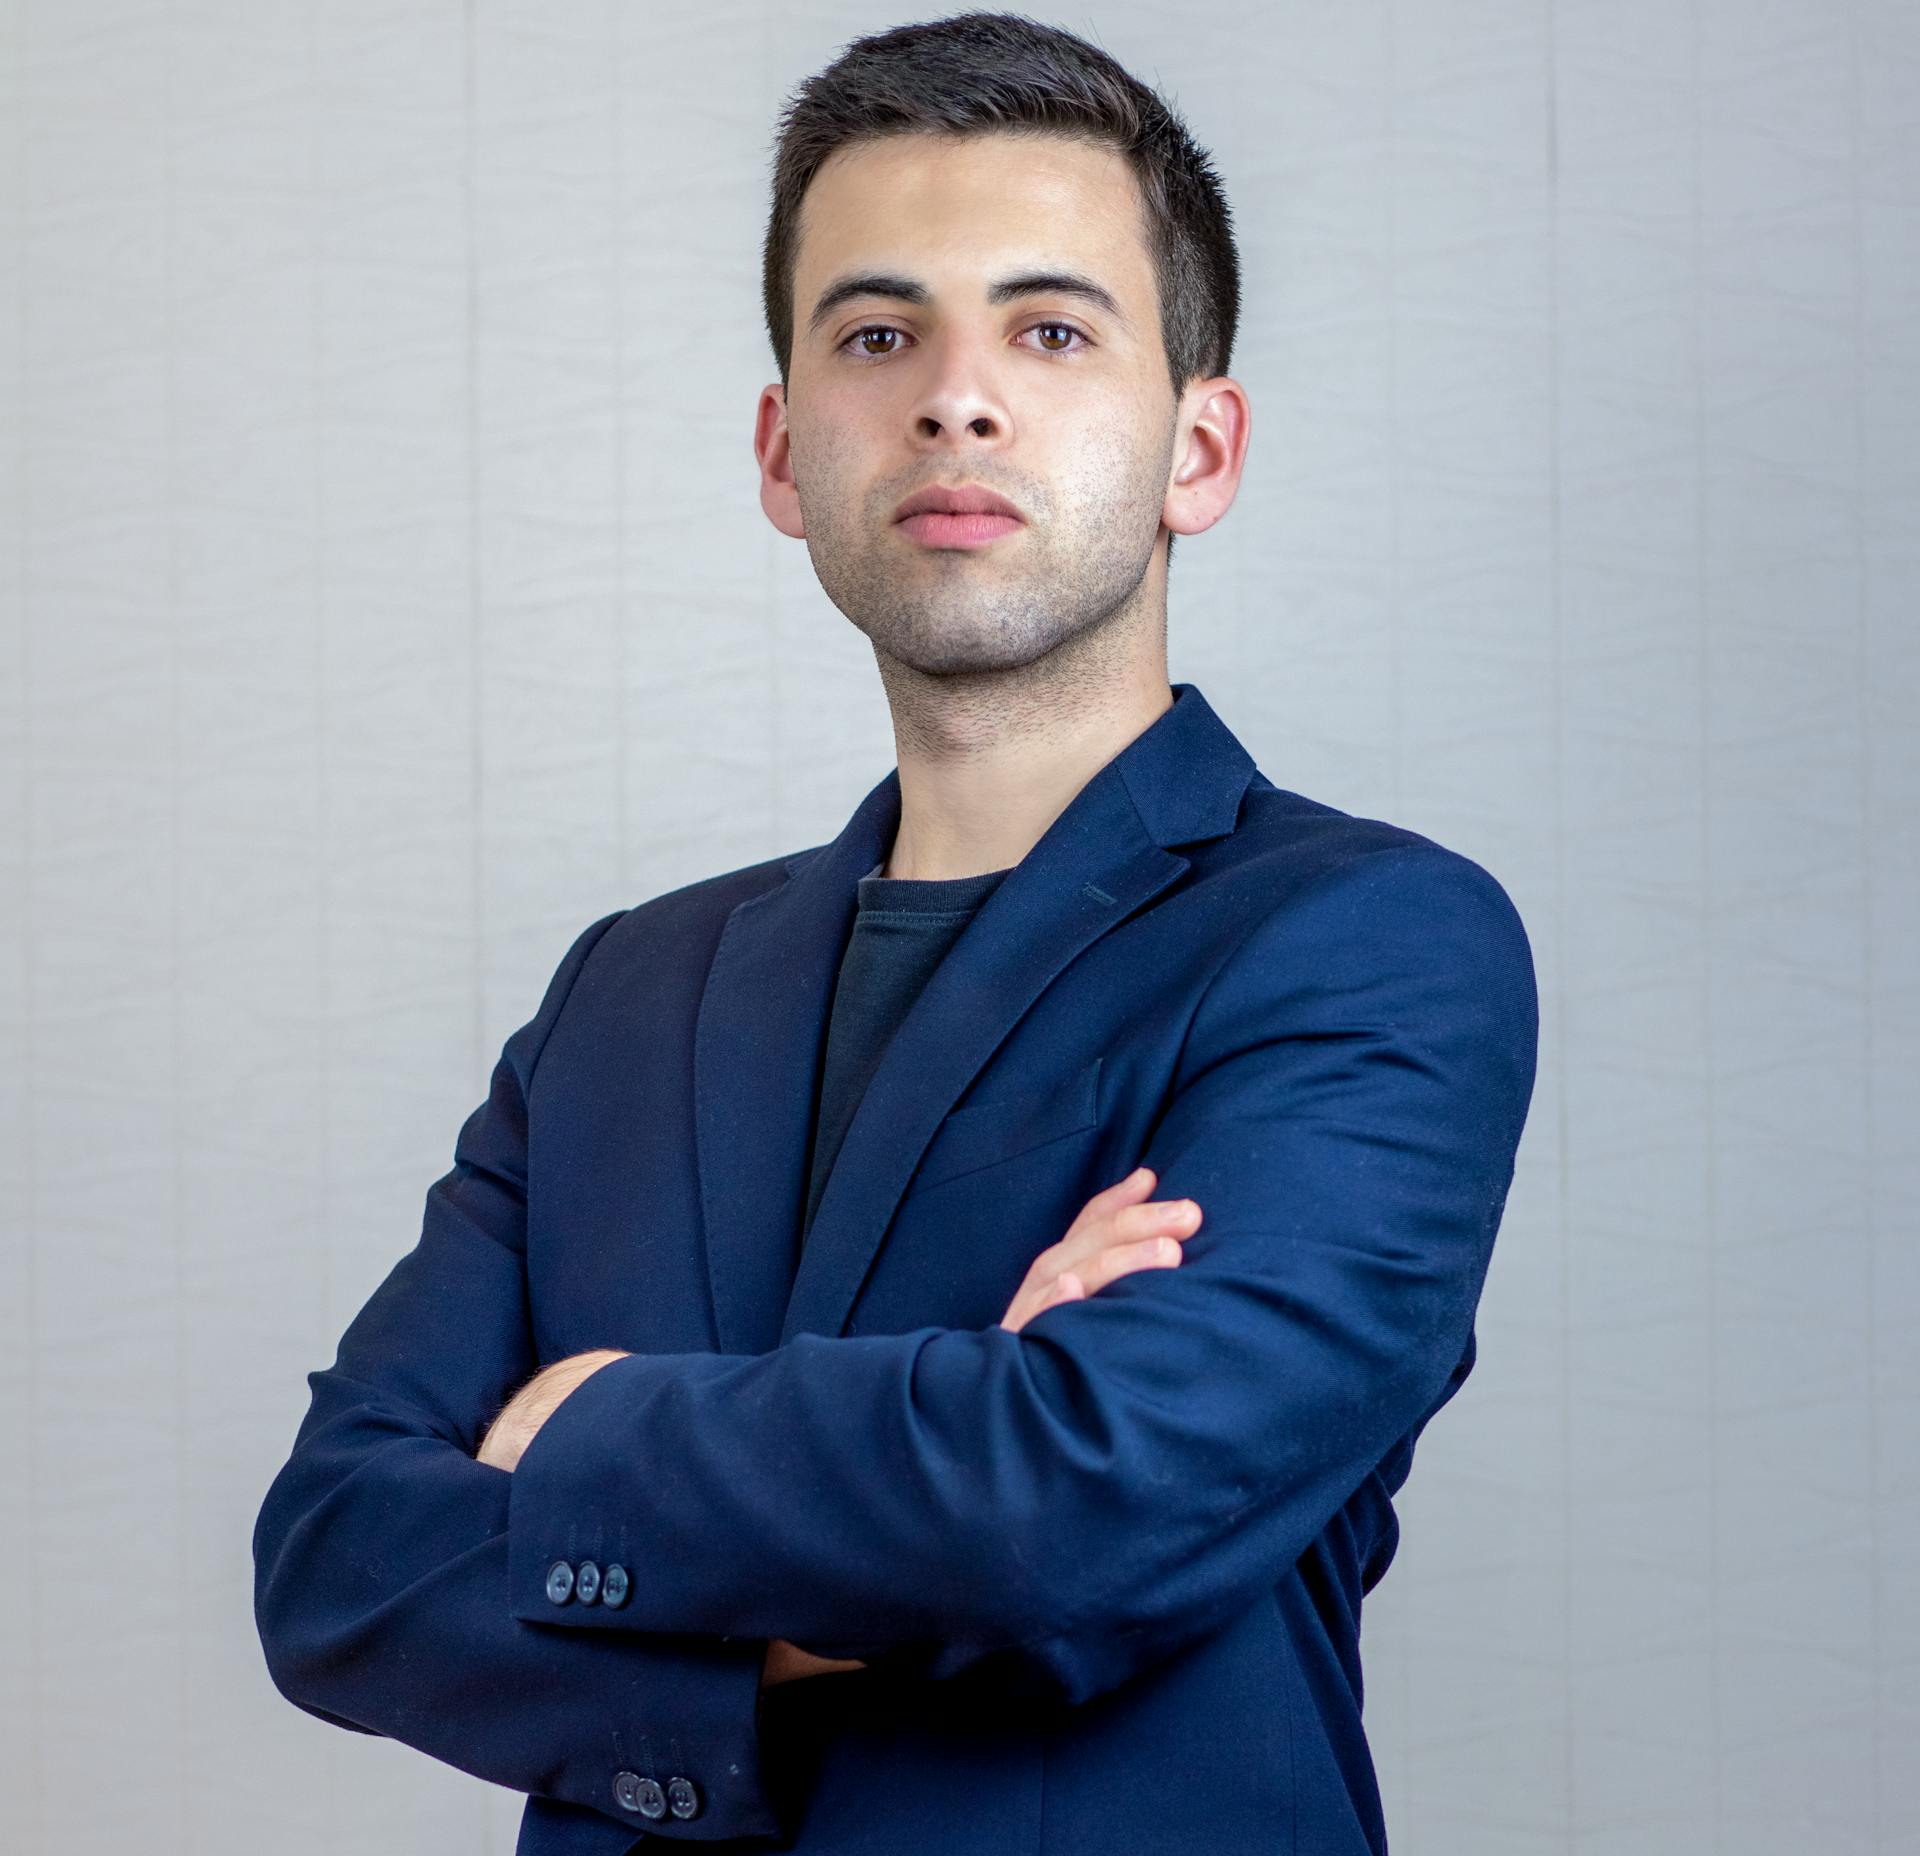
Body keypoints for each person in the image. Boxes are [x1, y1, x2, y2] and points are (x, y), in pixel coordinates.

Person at [252, 13, 1539, 1854]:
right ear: (786, 454)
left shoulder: (1369, 940)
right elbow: (333, 1561)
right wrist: (942, 1469)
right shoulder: (630, 989)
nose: (956, 395)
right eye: (878, 335)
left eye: (1051, 328)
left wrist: (590, 1435)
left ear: (1201, 444)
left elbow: (1075, 1507)